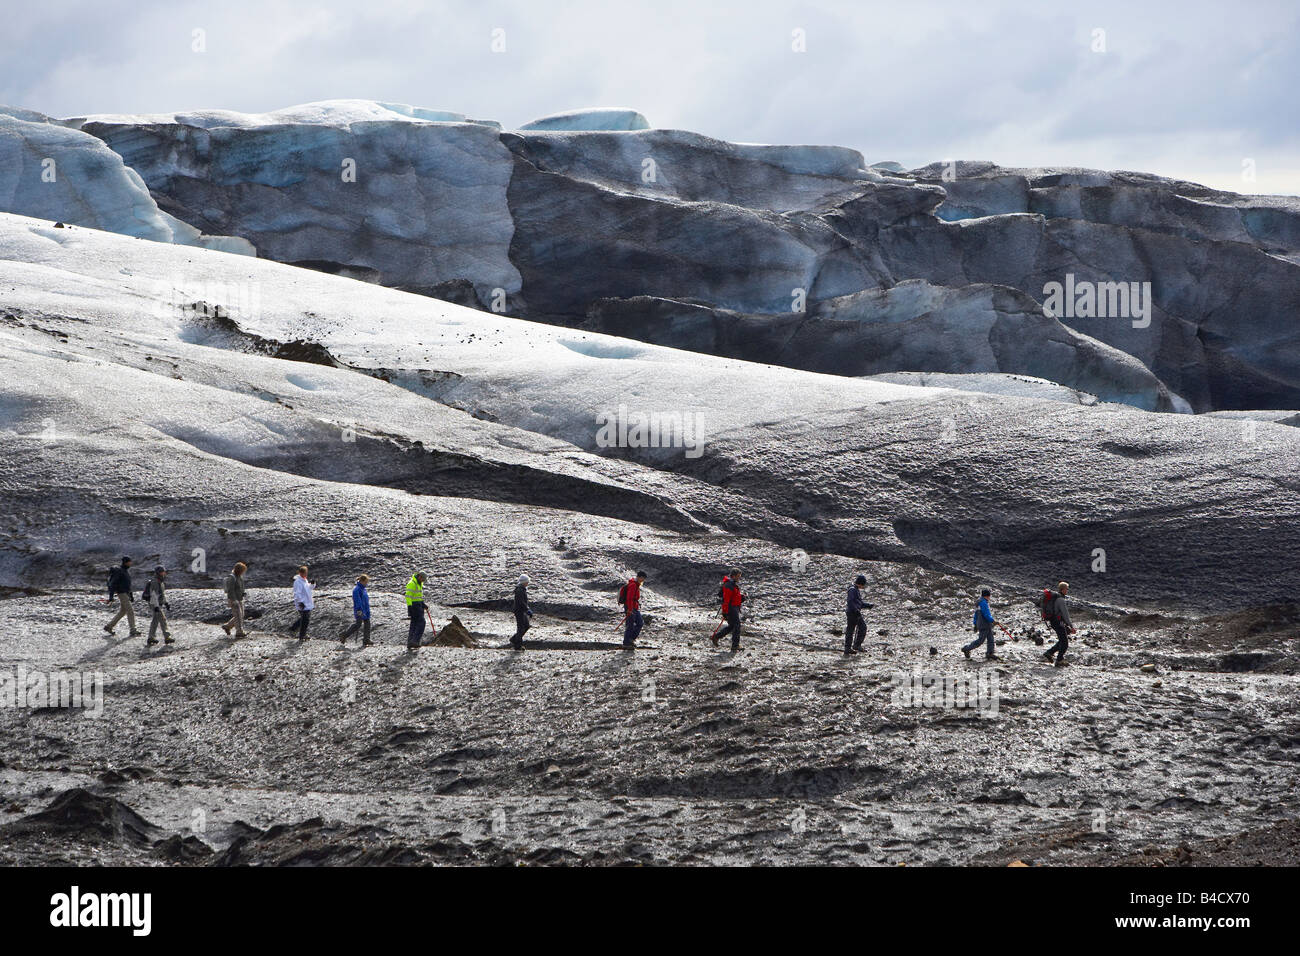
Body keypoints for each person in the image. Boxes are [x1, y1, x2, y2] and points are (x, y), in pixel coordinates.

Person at [104, 556, 140, 637]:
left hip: (125, 593)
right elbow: (113, 584)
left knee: (123, 611)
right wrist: (111, 597)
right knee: (130, 611)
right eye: (129, 562)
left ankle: (109, 626)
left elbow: (127, 584)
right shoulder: (120, 571)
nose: (131, 563)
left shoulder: (125, 571)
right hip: (121, 593)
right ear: (126, 562)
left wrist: (131, 595)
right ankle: (133, 630)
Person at [1041, 581, 1076, 667]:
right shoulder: (1061, 600)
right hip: (1058, 623)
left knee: (1062, 640)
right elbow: (1065, 614)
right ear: (1063, 589)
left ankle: (1049, 653)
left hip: (1053, 622)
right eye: (1066, 589)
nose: (1067, 591)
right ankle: (1059, 660)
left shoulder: (1055, 598)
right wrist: (1071, 626)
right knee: (1065, 643)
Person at [711, 569, 745, 652]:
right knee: (737, 626)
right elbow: (726, 599)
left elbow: (733, 597)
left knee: (732, 626)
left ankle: (716, 637)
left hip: (733, 608)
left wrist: (741, 598)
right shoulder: (729, 585)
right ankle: (735, 645)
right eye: (738, 576)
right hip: (731, 608)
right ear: (733, 576)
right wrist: (725, 611)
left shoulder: (731, 584)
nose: (739, 578)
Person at [963, 588, 997, 660]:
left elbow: (976, 615)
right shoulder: (984, 603)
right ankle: (966, 648)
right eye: (989, 596)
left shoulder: (979, 603)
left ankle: (990, 653)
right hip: (984, 624)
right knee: (980, 641)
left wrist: (975, 624)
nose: (989, 598)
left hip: (982, 624)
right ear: (986, 596)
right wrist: (993, 621)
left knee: (990, 639)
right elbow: (986, 614)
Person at [844, 574, 874, 654]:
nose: (863, 586)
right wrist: (856, 610)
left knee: (853, 629)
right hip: (853, 613)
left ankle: (850, 647)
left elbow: (858, 603)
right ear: (860, 583)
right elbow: (850, 602)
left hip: (853, 612)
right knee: (857, 629)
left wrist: (868, 605)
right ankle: (854, 646)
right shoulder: (853, 590)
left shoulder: (855, 589)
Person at [143, 566, 173, 646]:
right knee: (162, 619)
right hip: (154, 604)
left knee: (155, 620)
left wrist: (165, 602)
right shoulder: (155, 582)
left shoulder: (160, 582)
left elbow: (161, 594)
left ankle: (151, 637)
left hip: (157, 603)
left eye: (163, 571)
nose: (164, 573)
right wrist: (156, 606)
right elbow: (154, 595)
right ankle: (167, 637)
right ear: (158, 573)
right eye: (162, 572)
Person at [340, 574, 373, 646]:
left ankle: (366, 639)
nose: (367, 584)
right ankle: (344, 635)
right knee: (358, 624)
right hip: (360, 610)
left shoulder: (363, 589)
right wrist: (359, 610)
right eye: (366, 582)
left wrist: (367, 610)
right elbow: (357, 600)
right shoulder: (357, 589)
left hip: (365, 609)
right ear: (362, 581)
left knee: (367, 623)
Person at [222, 562, 248, 637]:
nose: (243, 572)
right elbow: (231, 590)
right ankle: (239, 632)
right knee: (238, 616)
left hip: (240, 599)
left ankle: (227, 626)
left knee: (241, 615)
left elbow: (240, 588)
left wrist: (243, 593)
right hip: (234, 600)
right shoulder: (232, 578)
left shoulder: (239, 577)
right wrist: (234, 600)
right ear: (239, 570)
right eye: (242, 570)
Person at [621, 571, 647, 649]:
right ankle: (626, 643)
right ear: (639, 577)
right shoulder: (633, 585)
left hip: (634, 607)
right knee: (630, 625)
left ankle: (630, 640)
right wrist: (629, 609)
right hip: (631, 607)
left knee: (639, 623)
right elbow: (629, 598)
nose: (643, 580)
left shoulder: (635, 585)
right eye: (643, 578)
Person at [405, 572, 428, 649]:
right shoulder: (412, 583)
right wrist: (410, 607)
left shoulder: (418, 583)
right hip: (414, 606)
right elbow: (408, 596)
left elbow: (418, 596)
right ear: (419, 577)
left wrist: (423, 604)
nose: (423, 581)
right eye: (423, 579)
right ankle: (415, 641)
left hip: (418, 605)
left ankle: (410, 642)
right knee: (421, 622)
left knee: (414, 623)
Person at [293, 566, 315, 641]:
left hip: (306, 602)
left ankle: (293, 628)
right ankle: (302, 635)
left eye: (306, 573)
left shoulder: (304, 580)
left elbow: (308, 588)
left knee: (304, 618)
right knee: (305, 619)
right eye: (304, 573)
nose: (305, 575)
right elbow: (297, 593)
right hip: (302, 603)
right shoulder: (298, 582)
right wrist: (300, 602)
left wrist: (312, 584)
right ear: (300, 573)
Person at [511, 573, 532, 650]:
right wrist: (527, 610)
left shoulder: (521, 589)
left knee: (526, 626)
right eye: (527, 582)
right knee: (521, 628)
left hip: (522, 611)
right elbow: (521, 602)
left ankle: (514, 639)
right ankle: (517, 645)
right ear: (524, 582)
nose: (528, 583)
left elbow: (523, 602)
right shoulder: (520, 590)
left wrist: (527, 609)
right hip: (519, 611)